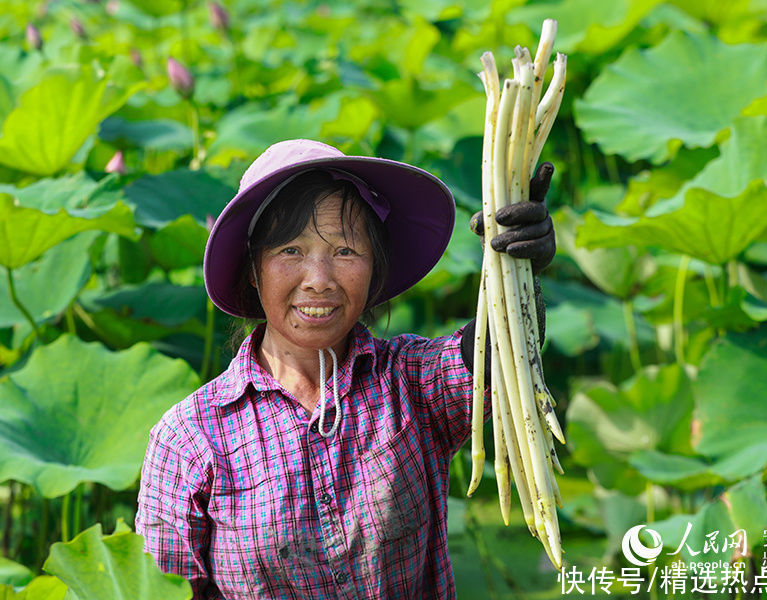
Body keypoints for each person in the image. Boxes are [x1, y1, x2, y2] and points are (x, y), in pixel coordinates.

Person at [135, 139, 556, 599]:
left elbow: (498, 354)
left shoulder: (410, 384)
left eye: (345, 251)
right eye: (290, 251)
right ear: (253, 270)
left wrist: (516, 271)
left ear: (374, 268)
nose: (318, 279)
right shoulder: (190, 440)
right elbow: (161, 590)